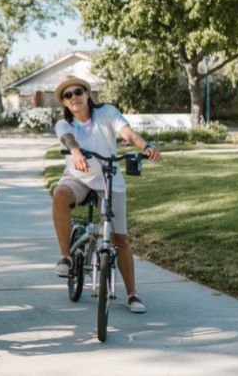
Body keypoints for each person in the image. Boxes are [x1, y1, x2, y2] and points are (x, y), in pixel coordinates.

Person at [51, 76, 161, 314]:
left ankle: (132, 294)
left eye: (77, 92)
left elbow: (128, 133)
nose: (74, 97)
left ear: (87, 94)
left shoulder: (107, 113)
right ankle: (66, 257)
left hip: (109, 178)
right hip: (77, 178)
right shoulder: (64, 124)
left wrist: (146, 146)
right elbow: (67, 139)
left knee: (120, 239)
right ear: (65, 103)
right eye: (67, 96)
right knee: (59, 194)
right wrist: (76, 151)